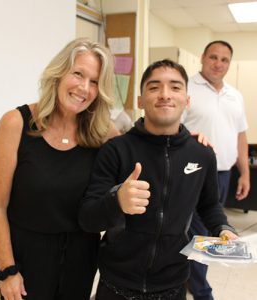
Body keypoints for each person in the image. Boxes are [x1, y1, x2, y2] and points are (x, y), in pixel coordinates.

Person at [79, 59, 238, 300]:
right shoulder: (116, 150)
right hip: (116, 285)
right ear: (140, 101)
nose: (165, 94)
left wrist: (223, 229)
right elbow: (88, 218)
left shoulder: (202, 154)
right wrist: (117, 201)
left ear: (187, 100)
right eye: (154, 87)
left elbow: (209, 205)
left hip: (173, 283)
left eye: (175, 87)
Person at [0, 37, 119, 300]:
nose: (84, 88)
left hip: (81, 263)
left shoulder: (102, 134)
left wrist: (181, 137)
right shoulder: (16, 123)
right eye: (78, 74)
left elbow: (144, 150)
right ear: (58, 74)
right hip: (25, 264)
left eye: (94, 82)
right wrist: (7, 271)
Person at [182, 40, 250, 300]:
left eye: (224, 60)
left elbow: (240, 136)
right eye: (213, 57)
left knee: (211, 231)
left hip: (222, 174)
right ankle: (201, 291)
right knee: (199, 233)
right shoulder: (186, 86)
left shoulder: (235, 95)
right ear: (202, 57)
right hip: (192, 172)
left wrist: (244, 172)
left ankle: (192, 280)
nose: (218, 64)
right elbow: (172, 128)